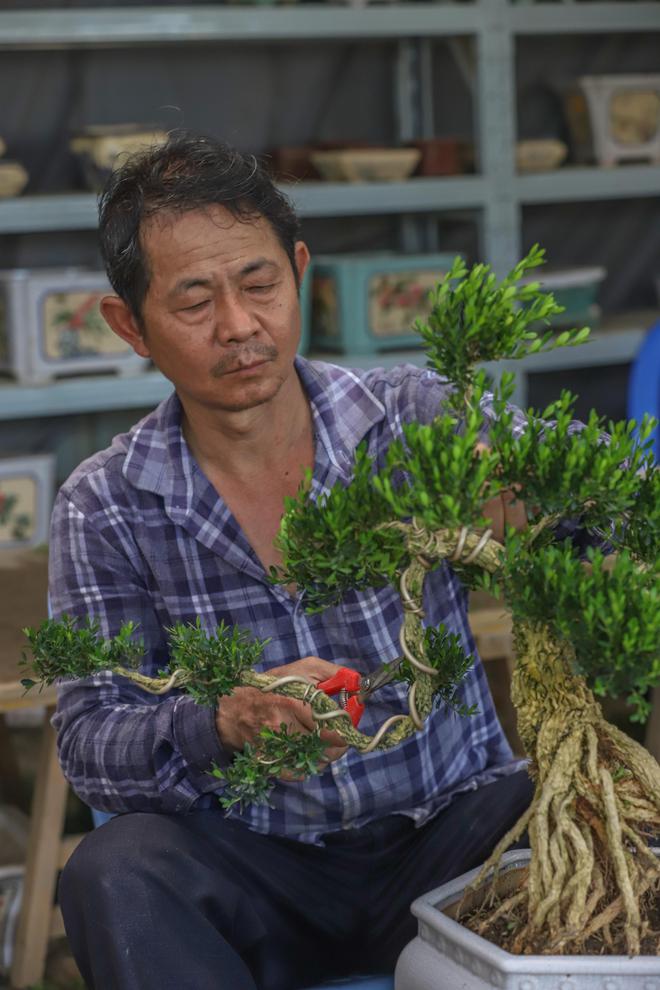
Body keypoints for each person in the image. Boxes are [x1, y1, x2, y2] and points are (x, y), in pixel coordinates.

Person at [50, 133, 533, 990]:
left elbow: (593, 488)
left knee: (553, 806)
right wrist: (218, 723)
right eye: (194, 301)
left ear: (299, 269)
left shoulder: (416, 419)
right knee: (114, 867)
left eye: (259, 284)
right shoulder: (107, 502)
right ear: (130, 325)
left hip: (450, 844)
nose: (239, 327)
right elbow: (91, 744)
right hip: (256, 872)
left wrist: (541, 509)